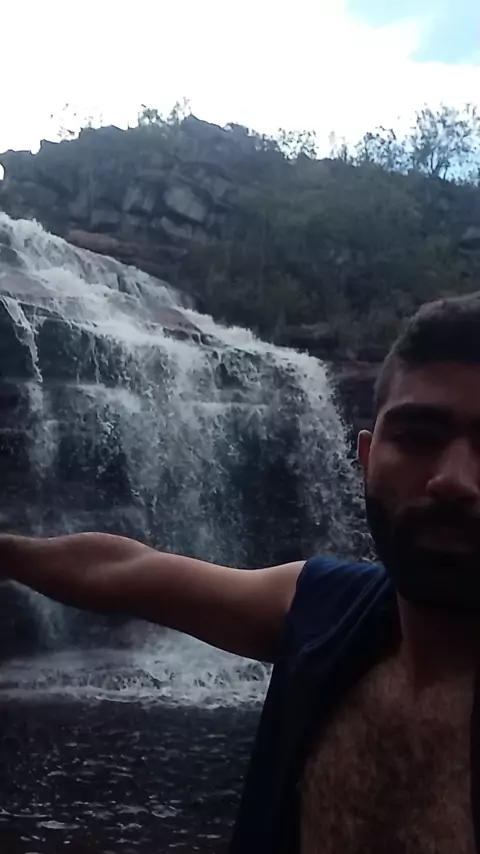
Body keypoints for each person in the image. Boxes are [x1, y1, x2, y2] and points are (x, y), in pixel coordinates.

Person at [1, 292, 480, 853]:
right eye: (418, 437)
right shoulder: (320, 609)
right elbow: (121, 568)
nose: (454, 480)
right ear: (367, 457)